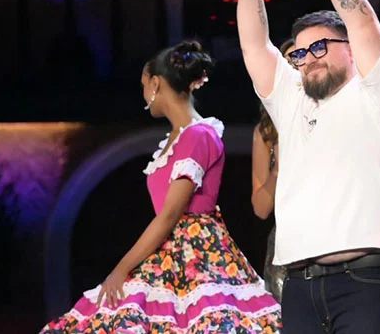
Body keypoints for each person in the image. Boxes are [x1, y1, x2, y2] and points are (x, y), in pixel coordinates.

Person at [236, 0, 380, 333]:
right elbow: (254, 45)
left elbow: (363, 21)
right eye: (299, 53)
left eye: (319, 46)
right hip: (300, 285)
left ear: (350, 49)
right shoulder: (292, 99)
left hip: (368, 280)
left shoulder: (379, 91)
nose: (308, 58)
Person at [41, 41, 282, 333]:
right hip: (167, 249)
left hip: (196, 254)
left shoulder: (199, 135)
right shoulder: (177, 138)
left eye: (144, 85)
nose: (144, 94)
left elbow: (170, 214)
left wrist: (120, 269)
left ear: (155, 83)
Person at [251, 39, 297, 302]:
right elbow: (261, 208)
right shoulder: (266, 132)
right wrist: (278, 168)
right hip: (287, 253)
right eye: (288, 64)